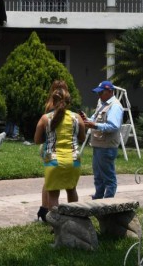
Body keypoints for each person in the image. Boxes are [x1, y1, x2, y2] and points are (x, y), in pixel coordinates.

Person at [34, 85, 86, 216]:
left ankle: (56, 225)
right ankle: (74, 219)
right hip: (73, 161)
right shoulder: (77, 118)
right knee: (72, 190)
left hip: (53, 162)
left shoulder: (46, 118)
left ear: (53, 100)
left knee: (53, 194)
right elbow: (82, 138)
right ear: (69, 102)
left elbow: (37, 140)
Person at [83, 80, 124, 199]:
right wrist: (87, 119)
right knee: (98, 175)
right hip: (98, 144)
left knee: (108, 176)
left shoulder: (115, 106)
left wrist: (94, 125)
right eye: (98, 93)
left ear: (110, 91)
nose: (99, 95)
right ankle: (98, 197)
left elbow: (113, 126)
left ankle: (108, 202)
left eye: (101, 93)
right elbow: (95, 117)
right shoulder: (102, 102)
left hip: (107, 147)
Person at [37, 80, 70, 221]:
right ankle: (46, 211)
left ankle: (44, 209)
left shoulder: (48, 105)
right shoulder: (55, 109)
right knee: (51, 184)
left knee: (48, 181)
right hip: (54, 148)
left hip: (48, 147)